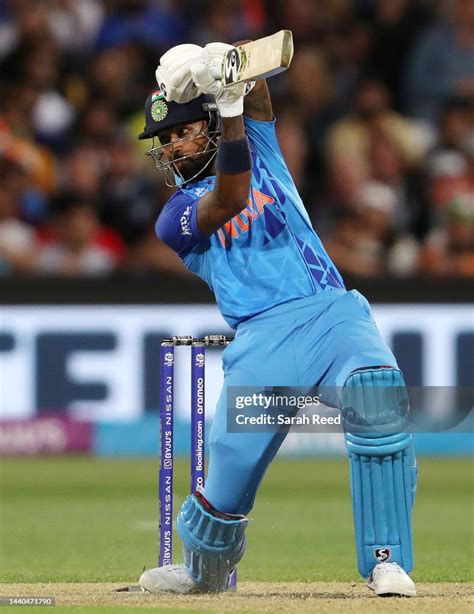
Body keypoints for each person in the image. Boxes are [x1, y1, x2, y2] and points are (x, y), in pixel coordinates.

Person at [137, 41, 417, 597]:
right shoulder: (175, 216)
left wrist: (225, 63)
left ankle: (387, 560)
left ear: (210, 127)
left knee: (377, 396)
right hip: (261, 342)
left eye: (180, 132)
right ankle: (203, 573)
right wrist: (231, 106)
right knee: (229, 476)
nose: (171, 147)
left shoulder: (260, 146)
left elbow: (260, 87)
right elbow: (233, 199)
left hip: (331, 313)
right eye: (163, 141)